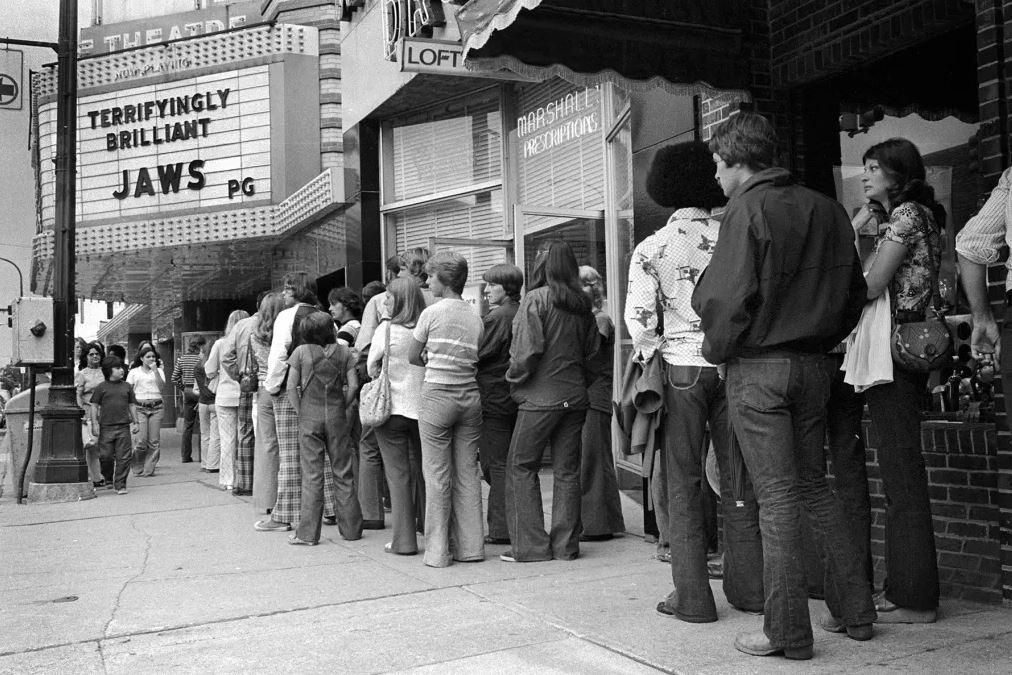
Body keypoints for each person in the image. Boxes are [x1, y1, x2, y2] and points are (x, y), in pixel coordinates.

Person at [690, 112, 874, 660]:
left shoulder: (747, 208)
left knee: (776, 499)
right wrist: (821, 338)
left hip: (760, 367)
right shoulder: (828, 207)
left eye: (719, 167)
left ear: (738, 162)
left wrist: (718, 352)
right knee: (816, 487)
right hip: (817, 364)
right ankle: (857, 614)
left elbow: (723, 297)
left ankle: (789, 634)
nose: (717, 179)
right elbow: (854, 294)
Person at [626, 140, 764, 622]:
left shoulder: (652, 246)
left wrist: (654, 354)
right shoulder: (736, 233)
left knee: (683, 483)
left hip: (680, 369)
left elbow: (639, 321)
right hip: (734, 365)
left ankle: (692, 596)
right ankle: (750, 589)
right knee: (738, 477)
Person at [850, 138, 944, 624]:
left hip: (895, 351)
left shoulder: (906, 216)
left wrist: (853, 230)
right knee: (900, 469)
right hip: (902, 348)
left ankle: (914, 598)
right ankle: (909, 591)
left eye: (873, 168)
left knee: (901, 472)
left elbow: (868, 285)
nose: (864, 176)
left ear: (897, 174)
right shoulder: (902, 218)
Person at [502, 241, 600, 563]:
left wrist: (514, 380)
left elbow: (526, 352)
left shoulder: (536, 299)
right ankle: (565, 546)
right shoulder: (583, 305)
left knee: (520, 467)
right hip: (575, 397)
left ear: (541, 267)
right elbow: (592, 356)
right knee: (567, 472)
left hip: (540, 398)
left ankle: (531, 547)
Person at [408, 251, 485, 567]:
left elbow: (413, 355)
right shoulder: (474, 316)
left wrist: (431, 359)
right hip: (470, 397)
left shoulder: (431, 314)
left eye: (430, 277)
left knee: (437, 475)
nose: (426, 282)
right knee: (467, 473)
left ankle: (438, 551)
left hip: (438, 395)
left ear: (443, 279)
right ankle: (471, 548)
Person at [258, 272, 339, 533]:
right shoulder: (326, 318)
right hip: (322, 392)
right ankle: (332, 508)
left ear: (296, 290)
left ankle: (284, 515)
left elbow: (279, 354)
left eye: (286, 289)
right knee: (324, 452)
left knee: (291, 455)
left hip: (290, 390)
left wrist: (272, 386)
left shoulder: (287, 316)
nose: (283, 294)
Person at [287, 311, 363, 544]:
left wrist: (302, 413)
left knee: (312, 475)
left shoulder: (301, 352)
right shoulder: (344, 352)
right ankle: (351, 530)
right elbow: (354, 385)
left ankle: (308, 534)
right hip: (337, 418)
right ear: (331, 329)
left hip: (310, 418)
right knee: (343, 472)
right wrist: (344, 404)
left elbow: (291, 387)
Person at [368, 278, 427, 554]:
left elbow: (371, 366)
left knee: (398, 476)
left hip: (391, 408)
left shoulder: (387, 330)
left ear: (400, 300)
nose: (385, 302)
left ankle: (404, 541)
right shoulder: (425, 326)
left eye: (389, 298)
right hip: (423, 408)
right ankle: (432, 529)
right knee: (427, 472)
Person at [577, 265, 626, 542]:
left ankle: (596, 524)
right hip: (592, 395)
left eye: (584, 285)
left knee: (592, 460)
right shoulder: (593, 319)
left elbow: (589, 358)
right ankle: (599, 522)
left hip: (594, 396)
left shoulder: (600, 320)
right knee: (592, 458)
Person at [476, 263, 524, 546]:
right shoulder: (520, 312)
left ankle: (501, 527)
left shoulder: (498, 318)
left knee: (496, 464)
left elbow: (479, 354)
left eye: (492, 285)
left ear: (506, 288)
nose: (486, 290)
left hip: (494, 396)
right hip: (515, 395)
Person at [222, 296, 264, 497]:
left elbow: (227, 356)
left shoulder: (242, 325)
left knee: (246, 432)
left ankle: (246, 482)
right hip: (276, 384)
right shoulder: (278, 321)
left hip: (249, 384)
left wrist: (239, 376)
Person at [206, 310, 249, 491]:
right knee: (245, 439)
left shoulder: (220, 343)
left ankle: (228, 479)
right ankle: (245, 477)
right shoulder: (249, 342)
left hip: (224, 396)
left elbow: (209, 370)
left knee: (227, 440)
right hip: (245, 393)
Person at [250, 292, 284, 515]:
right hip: (282, 388)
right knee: (288, 444)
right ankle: (288, 494)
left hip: (262, 390)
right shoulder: (285, 331)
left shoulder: (255, 334)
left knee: (266, 444)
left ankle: (268, 498)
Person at [90, 357, 139, 495]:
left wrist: (136, 421)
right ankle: (108, 477)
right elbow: (94, 406)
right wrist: (94, 424)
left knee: (124, 457)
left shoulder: (126, 386)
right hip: (106, 427)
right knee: (105, 456)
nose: (121, 370)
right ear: (108, 370)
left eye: (121, 367)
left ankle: (120, 484)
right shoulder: (101, 387)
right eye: (117, 368)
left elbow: (132, 405)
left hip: (123, 426)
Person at [127, 344, 166, 477]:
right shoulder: (134, 372)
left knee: (154, 441)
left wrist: (155, 371)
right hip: (140, 407)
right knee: (141, 441)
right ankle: (137, 466)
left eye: (153, 356)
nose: (151, 359)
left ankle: (149, 469)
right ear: (142, 358)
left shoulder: (159, 371)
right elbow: (129, 391)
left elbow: (161, 387)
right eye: (148, 357)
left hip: (157, 406)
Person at [76, 341, 108, 487]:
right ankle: (96, 477)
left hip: (106, 411)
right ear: (86, 357)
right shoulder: (82, 374)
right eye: (91, 354)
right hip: (89, 413)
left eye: (97, 354)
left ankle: (106, 475)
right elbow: (78, 394)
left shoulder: (105, 372)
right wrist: (81, 411)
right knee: (93, 445)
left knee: (106, 445)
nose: (95, 356)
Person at [171, 335, 206, 464]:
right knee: (203, 423)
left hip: (187, 391)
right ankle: (204, 456)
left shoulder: (182, 359)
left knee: (188, 425)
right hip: (201, 391)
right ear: (201, 346)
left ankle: (185, 456)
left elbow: (174, 378)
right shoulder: (201, 358)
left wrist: (184, 388)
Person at [194, 339, 219, 473]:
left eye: (201, 352)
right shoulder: (216, 367)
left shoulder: (198, 367)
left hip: (203, 403)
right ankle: (213, 464)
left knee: (205, 435)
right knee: (216, 435)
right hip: (215, 402)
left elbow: (200, 388)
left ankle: (204, 463)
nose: (199, 355)